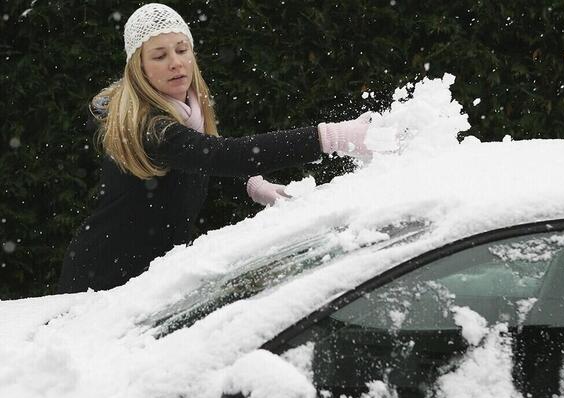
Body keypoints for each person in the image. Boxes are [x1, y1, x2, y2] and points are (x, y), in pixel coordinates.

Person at [57, 3, 371, 294]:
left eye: (182, 49)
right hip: (102, 279)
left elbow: (201, 160)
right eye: (159, 55)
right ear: (138, 68)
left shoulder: (186, 110)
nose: (176, 62)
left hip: (147, 274)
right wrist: (329, 137)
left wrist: (250, 184)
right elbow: (224, 155)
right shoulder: (149, 128)